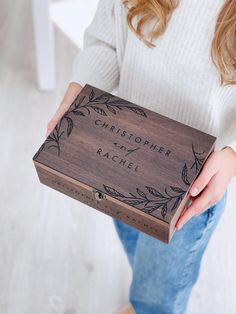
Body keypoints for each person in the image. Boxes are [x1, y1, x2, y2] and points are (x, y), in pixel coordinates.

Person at [45, 0, 236, 313]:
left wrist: (233, 154)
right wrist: (80, 88)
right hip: (125, 162)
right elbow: (108, 40)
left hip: (192, 190)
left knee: (159, 291)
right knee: (132, 240)